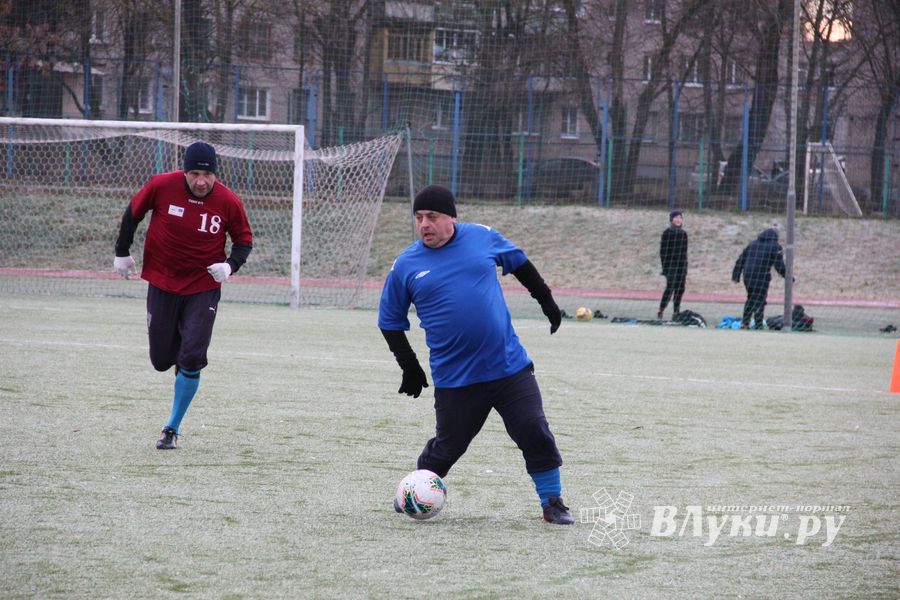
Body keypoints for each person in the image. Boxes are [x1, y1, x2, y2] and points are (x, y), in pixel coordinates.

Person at [378, 185, 573, 525]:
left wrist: (546, 301)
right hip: (456, 378)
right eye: (419, 218)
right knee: (448, 448)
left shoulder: (482, 237)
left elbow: (520, 263)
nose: (424, 224)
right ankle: (414, 490)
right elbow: (390, 321)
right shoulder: (406, 265)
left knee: (534, 430)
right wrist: (409, 366)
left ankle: (552, 502)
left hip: (509, 368)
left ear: (451, 217)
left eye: (432, 217)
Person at [113, 141, 253, 449]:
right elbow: (133, 213)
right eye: (194, 174)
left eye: (207, 175)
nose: (201, 181)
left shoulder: (228, 201)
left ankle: (171, 429)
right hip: (162, 283)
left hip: (203, 287)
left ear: (215, 174)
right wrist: (122, 251)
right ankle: (182, 358)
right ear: (184, 172)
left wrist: (229, 266)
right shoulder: (161, 186)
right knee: (161, 360)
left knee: (191, 357)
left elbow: (244, 241)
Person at [731, 227, 786, 330]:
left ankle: (745, 323)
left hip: (747, 276)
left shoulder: (752, 244)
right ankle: (758, 324)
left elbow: (740, 260)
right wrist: (787, 276)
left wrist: (736, 276)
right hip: (761, 277)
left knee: (751, 298)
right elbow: (779, 265)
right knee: (760, 300)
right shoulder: (775, 246)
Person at [658, 210, 688, 319]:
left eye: (680, 217)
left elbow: (684, 252)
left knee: (680, 288)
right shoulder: (667, 233)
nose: (678, 219)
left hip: (681, 265)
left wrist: (685, 267)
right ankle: (661, 309)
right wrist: (665, 268)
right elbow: (663, 252)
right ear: (671, 219)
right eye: (676, 217)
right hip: (670, 265)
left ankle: (676, 311)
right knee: (670, 287)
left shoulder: (684, 234)